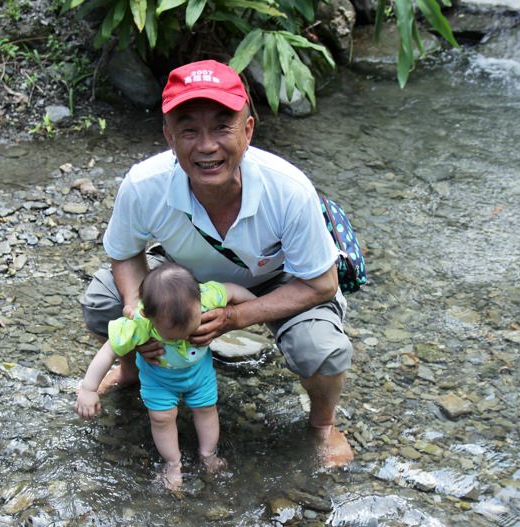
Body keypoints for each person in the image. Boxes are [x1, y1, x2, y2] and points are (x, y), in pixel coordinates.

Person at [80, 59, 354, 467]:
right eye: (189, 130)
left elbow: (321, 284)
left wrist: (235, 317)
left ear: (248, 130)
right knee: (102, 301)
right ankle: (134, 369)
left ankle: (322, 425)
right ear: (168, 136)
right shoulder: (144, 184)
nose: (206, 146)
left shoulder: (289, 189)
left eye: (222, 127)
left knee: (321, 350)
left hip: (277, 280)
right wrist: (137, 312)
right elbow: (125, 253)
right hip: (183, 276)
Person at [75, 262, 255, 488]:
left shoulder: (207, 297)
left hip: (200, 376)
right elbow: (108, 351)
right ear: (147, 315)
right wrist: (89, 389)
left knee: (207, 409)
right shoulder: (139, 323)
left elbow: (232, 290)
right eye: (172, 336)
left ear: (200, 300)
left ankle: (208, 454)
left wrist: (254, 308)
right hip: (159, 380)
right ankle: (173, 463)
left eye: (190, 330)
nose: (182, 338)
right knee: (162, 419)